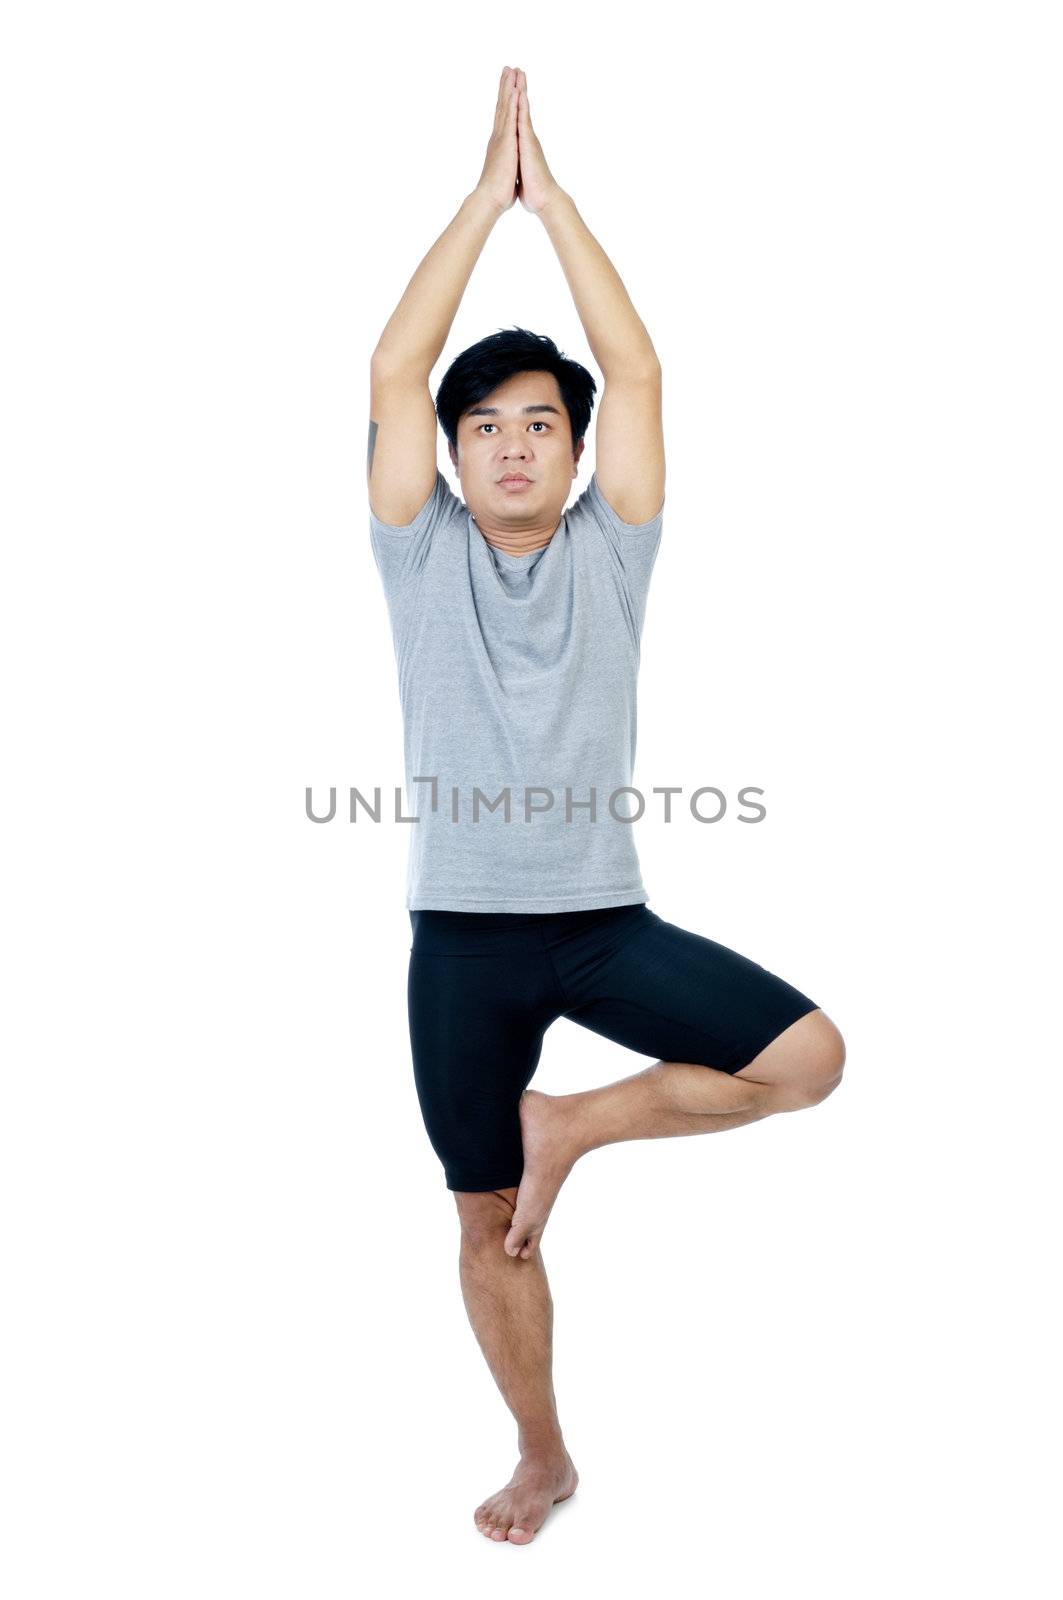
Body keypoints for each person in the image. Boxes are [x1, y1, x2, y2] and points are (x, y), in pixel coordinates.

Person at [367, 66, 845, 1546]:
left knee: (811, 1059)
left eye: (539, 425)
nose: (512, 443)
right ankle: (543, 1454)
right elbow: (392, 374)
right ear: (452, 459)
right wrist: (475, 202)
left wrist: (552, 205)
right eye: (485, 428)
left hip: (598, 925)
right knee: (476, 1222)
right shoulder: (420, 557)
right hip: (464, 942)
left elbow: (637, 375)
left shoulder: (611, 557)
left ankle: (572, 1120)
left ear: (576, 458)